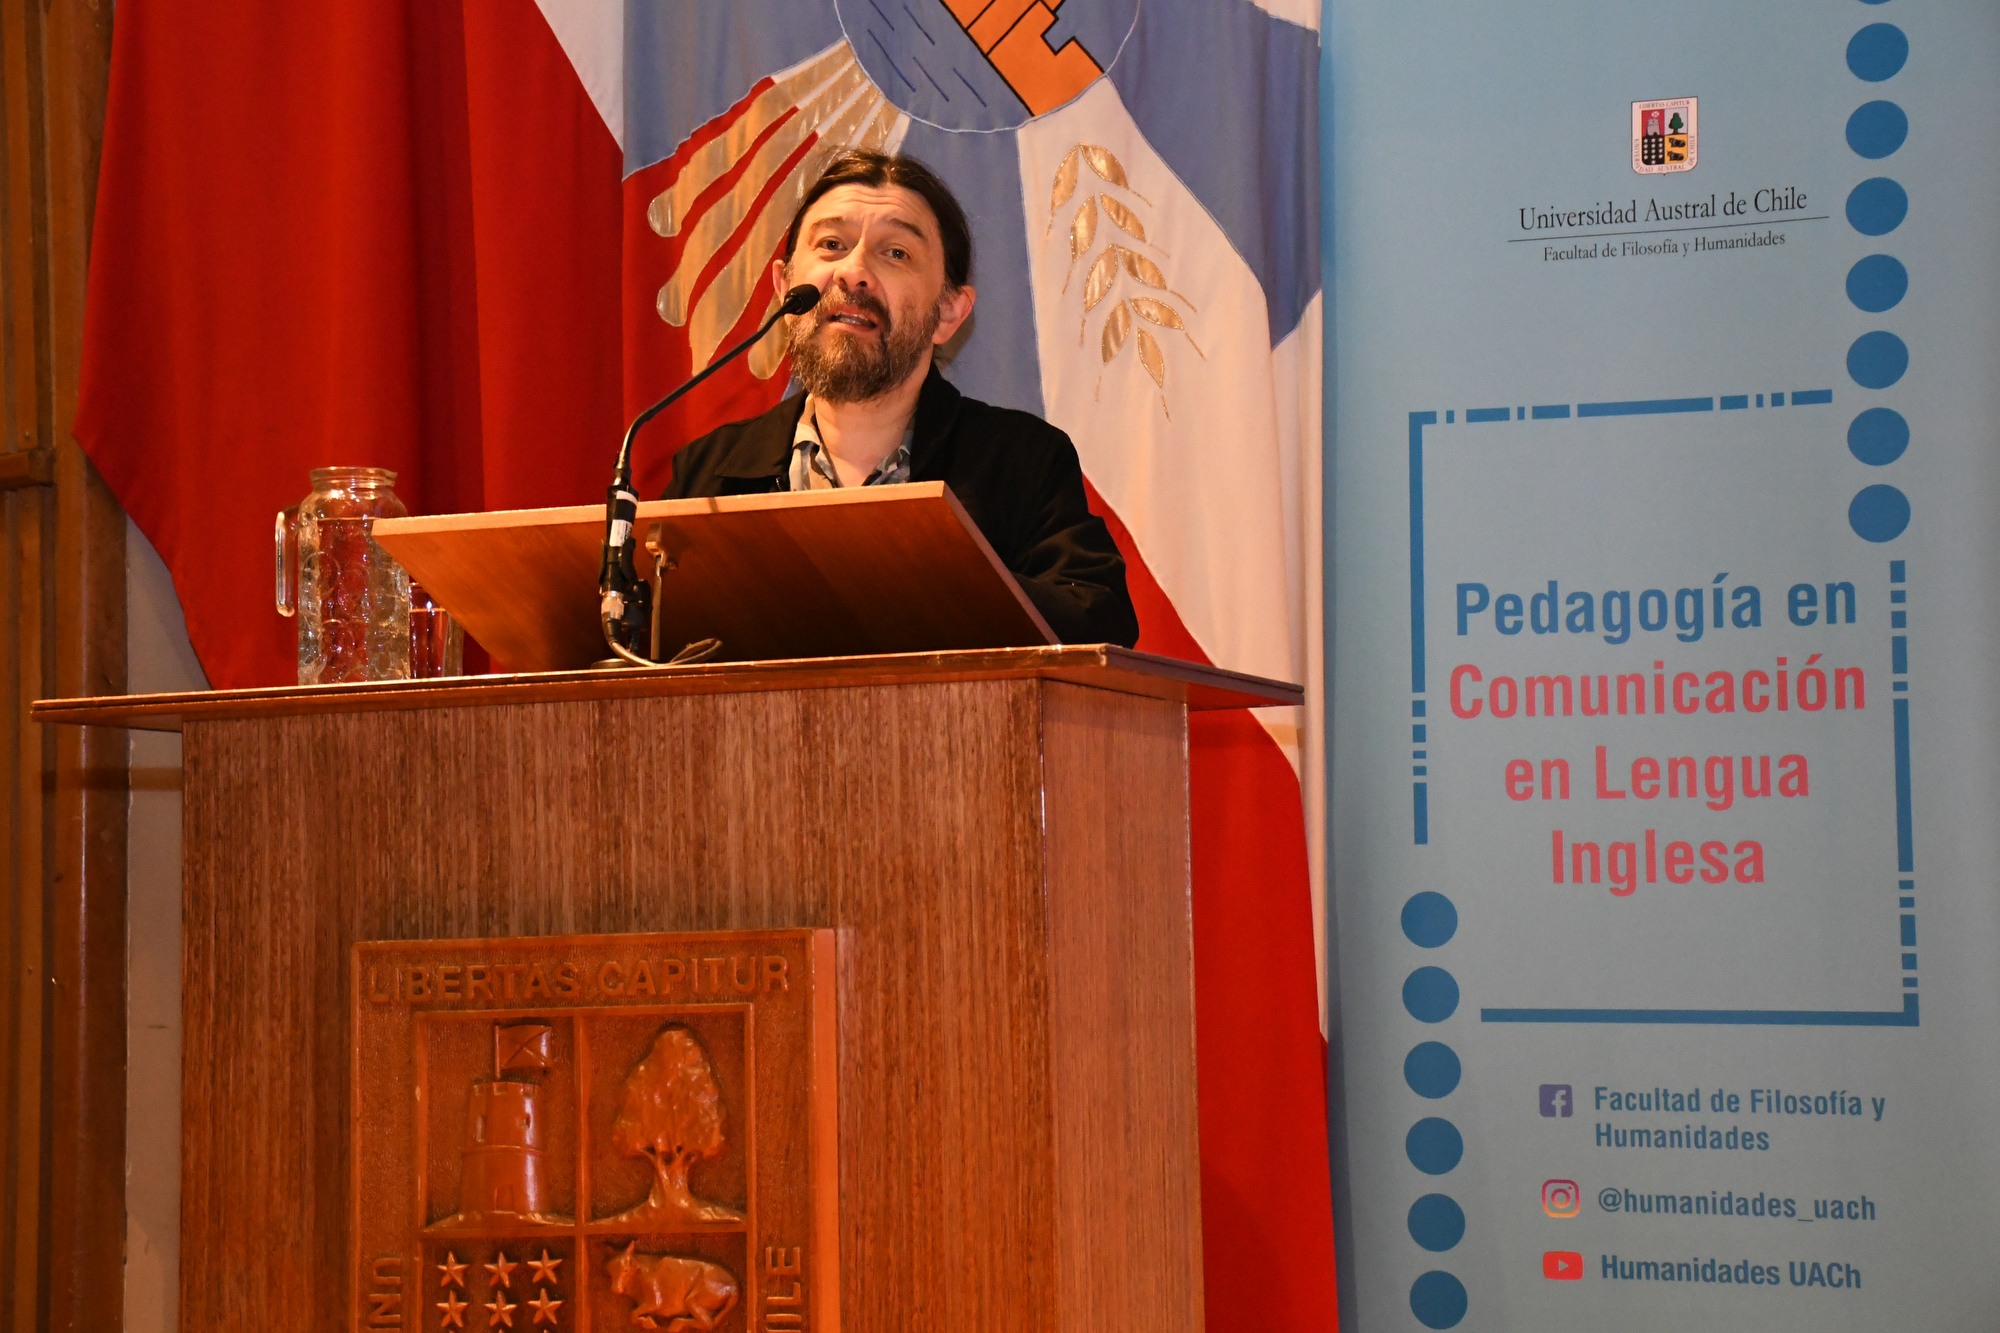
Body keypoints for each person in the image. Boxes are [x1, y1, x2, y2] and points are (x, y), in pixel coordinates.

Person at [662, 150, 1140, 648]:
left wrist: (906, 576)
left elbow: (1096, 622)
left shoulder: (1021, 462)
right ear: (785, 287)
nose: (853, 272)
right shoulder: (708, 476)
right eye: (831, 244)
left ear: (948, 312)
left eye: (895, 253)